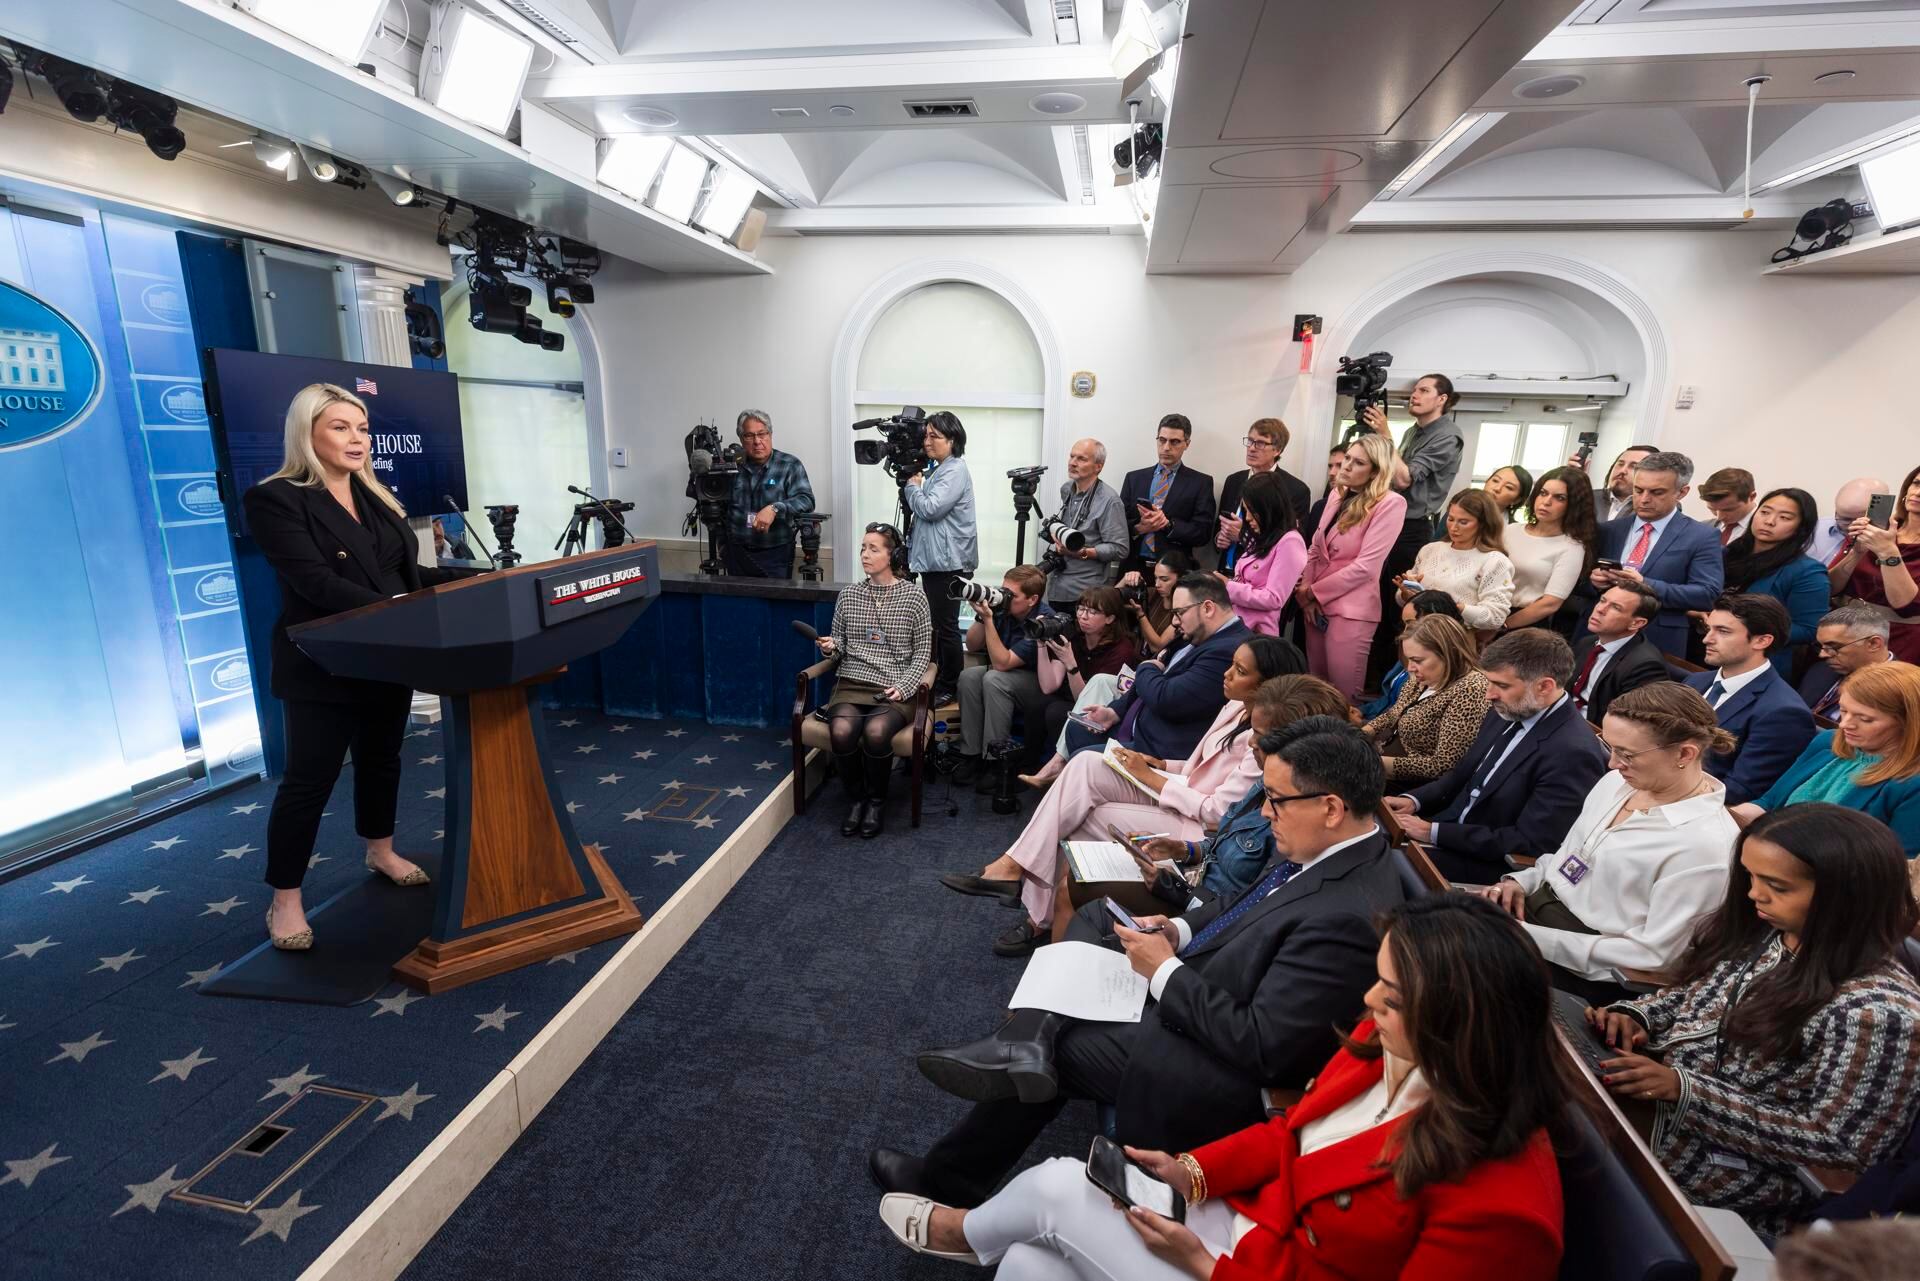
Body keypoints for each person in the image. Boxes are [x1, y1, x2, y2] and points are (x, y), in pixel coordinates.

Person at [880, 896, 1570, 1281]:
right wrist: (1192, 1171)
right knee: (1031, 1265)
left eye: (1389, 994)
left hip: (1247, 1267)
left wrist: (1208, 1266)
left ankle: (962, 1230)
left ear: (1457, 1022)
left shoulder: (1504, 1210)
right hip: (1253, 1228)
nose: (1368, 1000)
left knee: (1060, 1188)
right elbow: (1292, 1132)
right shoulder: (1387, 1044)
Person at [870, 717, 1410, 1208]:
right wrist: (1175, 929)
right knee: (1099, 923)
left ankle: (951, 1172)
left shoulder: (1348, 916)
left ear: (1331, 808)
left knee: (1061, 1050)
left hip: (1215, 1064)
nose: (1266, 812)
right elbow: (1240, 904)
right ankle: (1026, 1038)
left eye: (1275, 800)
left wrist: (1165, 972)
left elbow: (1263, 1048)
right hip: (1204, 987)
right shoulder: (1326, 848)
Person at [1589, 804, 1920, 1239]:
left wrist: (1685, 1092)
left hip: (1734, 1171)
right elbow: (1693, 996)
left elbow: (1839, 1146)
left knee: (1562, 1134)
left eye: (1776, 886)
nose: (1754, 895)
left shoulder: (1881, 1013)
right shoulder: (1776, 934)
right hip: (1663, 1108)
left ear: (1848, 896)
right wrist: (1638, 1016)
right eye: (1751, 876)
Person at [243, 383, 475, 949]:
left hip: (385, 654)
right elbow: (316, 584)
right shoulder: (276, 499)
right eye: (341, 427)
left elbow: (402, 575)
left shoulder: (375, 496)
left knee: (381, 761)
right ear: (308, 433)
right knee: (309, 783)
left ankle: (381, 850)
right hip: (324, 663)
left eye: (363, 428)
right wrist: (400, 610)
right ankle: (285, 900)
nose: (357, 439)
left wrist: (472, 580)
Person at [943, 639, 1308, 955]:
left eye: (1240, 670)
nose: (1226, 674)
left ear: (1269, 685)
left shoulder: (1265, 741)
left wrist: (1150, 776)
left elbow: (1217, 814)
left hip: (1196, 824)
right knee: (1086, 763)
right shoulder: (1235, 707)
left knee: (1086, 818)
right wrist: (1160, 764)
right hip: (1182, 791)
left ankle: (1040, 913)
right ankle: (1017, 872)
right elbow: (1197, 767)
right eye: (1231, 664)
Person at [1480, 682, 1738, 1002]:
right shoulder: (1617, 783)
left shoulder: (1705, 846)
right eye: (1609, 746)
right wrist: (1522, 882)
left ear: (1685, 753)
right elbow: (1568, 858)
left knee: (1448, 962)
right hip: (1536, 920)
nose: (1613, 763)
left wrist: (1527, 937)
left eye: (1627, 754)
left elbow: (1653, 956)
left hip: (1585, 969)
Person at [1388, 629, 1611, 884]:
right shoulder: (1510, 707)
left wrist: (1434, 832)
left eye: (1502, 685)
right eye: (1490, 682)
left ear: (1544, 686)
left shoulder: (1572, 753)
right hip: (1449, 829)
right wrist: (1414, 800)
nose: (1489, 694)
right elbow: (1463, 773)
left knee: (1381, 863)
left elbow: (1532, 842)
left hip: (1489, 863)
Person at [1131, 675, 1355, 905]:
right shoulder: (1264, 783)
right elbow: (1223, 843)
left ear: (1296, 745)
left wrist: (1177, 892)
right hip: (1188, 887)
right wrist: (1182, 849)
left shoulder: (1299, 820)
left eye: (1259, 734)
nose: (1251, 742)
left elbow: (1247, 911)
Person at [812, 524, 933, 838]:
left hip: (894, 686)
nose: (865, 554)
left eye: (873, 549)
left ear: (893, 556)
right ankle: (856, 799)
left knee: (876, 732)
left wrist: (905, 686)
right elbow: (840, 643)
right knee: (841, 731)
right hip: (852, 683)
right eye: (863, 548)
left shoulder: (914, 596)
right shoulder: (849, 595)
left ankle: (876, 802)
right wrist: (831, 646)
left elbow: (923, 652)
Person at [1734, 661, 1920, 859]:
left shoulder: (1913, 785)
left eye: (1865, 719)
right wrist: (1722, 815)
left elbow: (1895, 864)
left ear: (1908, 722)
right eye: (1843, 711)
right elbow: (1767, 804)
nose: (1845, 724)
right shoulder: (1827, 741)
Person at [1063, 574, 1253, 765]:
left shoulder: (1229, 650)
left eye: (1179, 612)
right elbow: (1149, 679)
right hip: (1136, 728)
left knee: (1083, 761)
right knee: (1076, 729)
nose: (1175, 622)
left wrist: (1145, 667)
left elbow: (1167, 698)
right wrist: (1114, 712)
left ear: (1208, 608)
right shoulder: (1200, 633)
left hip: (1158, 751)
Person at [1366, 374, 1466, 683]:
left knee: (1395, 608)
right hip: (1391, 519)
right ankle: (1374, 677)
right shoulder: (1413, 431)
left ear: (1442, 399)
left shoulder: (1448, 436)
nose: (1414, 395)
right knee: (1376, 599)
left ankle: (1391, 680)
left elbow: (1404, 478)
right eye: (1413, 390)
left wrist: (1385, 435)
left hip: (1412, 528)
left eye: (1423, 390)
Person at [1295, 433, 1406, 700]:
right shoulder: (1337, 494)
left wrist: (1313, 592)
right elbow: (1315, 547)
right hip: (1314, 605)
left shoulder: (1391, 503)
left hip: (1351, 609)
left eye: (1358, 463)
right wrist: (1304, 593)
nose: (1346, 466)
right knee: (1316, 689)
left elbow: (1366, 567)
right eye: (1347, 458)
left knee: (1343, 696)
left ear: (1375, 471)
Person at [1586, 450, 1725, 657]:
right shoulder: (1609, 530)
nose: (1644, 499)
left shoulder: (1701, 536)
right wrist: (1593, 581)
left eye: (1657, 492)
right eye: (1638, 490)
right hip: (1595, 636)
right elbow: (1578, 583)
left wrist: (1646, 584)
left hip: (1657, 641)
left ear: (1682, 492)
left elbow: (1707, 594)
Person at [1684, 594, 1815, 805]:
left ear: (1762, 641)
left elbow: (1739, 790)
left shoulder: (1784, 711)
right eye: (1709, 629)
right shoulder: (1696, 681)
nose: (1707, 639)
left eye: (1723, 631)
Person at [952, 566, 1054, 790]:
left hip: (1040, 683)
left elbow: (1002, 663)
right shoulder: (1005, 610)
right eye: (1003, 590)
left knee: (994, 679)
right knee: (969, 677)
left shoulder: (1042, 620)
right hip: (1008, 674)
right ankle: (971, 755)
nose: (1005, 598)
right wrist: (982, 616)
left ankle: (996, 761)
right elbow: (972, 645)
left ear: (1032, 599)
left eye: (1012, 595)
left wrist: (990, 620)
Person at [902, 411, 977, 704]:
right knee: (938, 627)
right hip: (937, 561)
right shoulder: (939, 469)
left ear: (952, 440)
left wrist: (912, 486)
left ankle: (949, 686)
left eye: (935, 436)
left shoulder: (955, 470)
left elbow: (931, 508)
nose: (927, 441)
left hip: (949, 564)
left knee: (946, 628)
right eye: (926, 435)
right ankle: (940, 680)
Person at [1362, 615, 1490, 787]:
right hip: (1387, 756)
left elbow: (1444, 765)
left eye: (1417, 660)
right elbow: (1394, 713)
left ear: (1448, 653)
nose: (1410, 668)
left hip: (1416, 785)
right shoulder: (1423, 677)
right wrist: (1362, 733)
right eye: (1409, 659)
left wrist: (1371, 763)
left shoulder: (1470, 690)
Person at [1026, 586, 1139, 779]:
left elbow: (1088, 698)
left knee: (1056, 712)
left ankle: (1063, 768)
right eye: (1081, 609)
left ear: (1110, 618)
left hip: (1103, 708)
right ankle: (1030, 768)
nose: (1083, 616)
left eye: (1093, 612)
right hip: (1071, 697)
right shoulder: (1074, 637)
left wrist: (1071, 664)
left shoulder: (1121, 650)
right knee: (1036, 704)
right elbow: (1048, 685)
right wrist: (1041, 644)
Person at [1720, 487, 1827, 675]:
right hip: (1705, 647)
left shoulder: (1807, 571)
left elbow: (1809, 629)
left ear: (1801, 527)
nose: (1769, 521)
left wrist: (1746, 629)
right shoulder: (1729, 552)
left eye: (1784, 517)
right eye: (1764, 512)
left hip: (1757, 662)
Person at [1830, 462, 1920, 663]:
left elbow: (1906, 607)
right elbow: (1830, 588)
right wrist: (1857, 552)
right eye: (1916, 483)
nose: (1918, 492)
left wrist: (1888, 551)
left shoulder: (1883, 539)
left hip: (1896, 641)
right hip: (1843, 631)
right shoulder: (1877, 528)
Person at [1397, 488, 1516, 635]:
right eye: (1451, 519)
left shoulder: (1495, 561)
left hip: (1456, 637)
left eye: (1463, 522)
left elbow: (1496, 617)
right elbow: (1402, 599)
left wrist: (1451, 606)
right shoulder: (1430, 549)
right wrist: (1407, 594)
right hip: (1416, 633)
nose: (1454, 527)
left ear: (1483, 524)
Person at [716, 408, 815, 578]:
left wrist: (775, 508)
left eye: (762, 434)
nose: (757, 441)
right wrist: (723, 546)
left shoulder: (789, 465)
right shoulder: (731, 467)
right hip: (736, 554)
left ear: (770, 434)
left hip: (776, 554)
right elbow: (718, 507)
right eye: (749, 436)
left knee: (774, 596)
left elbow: (807, 500)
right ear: (741, 439)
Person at [1501, 466, 1598, 634]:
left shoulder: (1571, 547)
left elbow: (1550, 604)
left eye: (1559, 498)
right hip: (1489, 610)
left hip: (1524, 625)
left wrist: (1503, 626)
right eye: (1543, 493)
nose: (1546, 502)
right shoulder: (1511, 530)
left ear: (1574, 505)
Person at [1118, 414, 1217, 572]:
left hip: (1175, 572)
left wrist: (1168, 525)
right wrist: (1139, 528)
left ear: (1187, 444)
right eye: (1162, 440)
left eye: (1174, 442)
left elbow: (1202, 534)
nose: (1166, 447)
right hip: (1133, 568)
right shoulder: (1134, 478)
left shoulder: (1200, 483)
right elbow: (1118, 525)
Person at [1216, 471, 1307, 636]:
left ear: (1268, 507)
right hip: (1236, 623)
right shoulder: (1263, 536)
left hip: (1257, 632)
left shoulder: (1290, 541)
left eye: (1252, 511)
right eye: (1245, 510)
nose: (1247, 518)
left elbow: (1274, 599)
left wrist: (1227, 585)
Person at [1569, 580, 1671, 724]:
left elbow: (1629, 722)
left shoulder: (1645, 666)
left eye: (1615, 607)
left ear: (1636, 623)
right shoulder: (1586, 643)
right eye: (1602, 600)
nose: (1600, 609)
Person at [1044, 438, 1129, 605]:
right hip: (1057, 587)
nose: (1072, 463)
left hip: (1085, 595)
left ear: (1098, 466)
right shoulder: (1067, 489)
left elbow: (1120, 549)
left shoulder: (1109, 501)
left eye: (1081, 459)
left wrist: (1081, 552)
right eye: (1072, 456)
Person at [1361, 589, 1464, 719]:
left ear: (1436, 622)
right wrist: (1361, 711)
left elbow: (1406, 720)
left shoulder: (1456, 683)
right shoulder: (1410, 654)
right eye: (1404, 624)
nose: (1405, 631)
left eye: (1411, 623)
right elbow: (1389, 701)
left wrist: (1363, 724)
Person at [1216, 417, 1312, 552]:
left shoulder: (1296, 490)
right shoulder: (1234, 480)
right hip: (1226, 562)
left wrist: (1244, 536)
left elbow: (1292, 543)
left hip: (1264, 563)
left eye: (1260, 443)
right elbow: (1220, 525)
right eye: (1250, 441)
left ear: (1277, 450)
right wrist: (1219, 538)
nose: (1251, 448)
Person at [1800, 604, 1894, 718]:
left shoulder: (1900, 690)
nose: (1822, 654)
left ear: (1873, 644)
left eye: (1833, 647)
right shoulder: (1820, 670)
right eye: (1820, 646)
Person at [1121, 549, 1191, 658]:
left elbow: (1158, 647)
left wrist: (1141, 615)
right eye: (1155, 578)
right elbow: (1109, 601)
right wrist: (1125, 579)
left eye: (1164, 579)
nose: (1157, 584)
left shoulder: (1185, 608)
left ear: (1181, 578)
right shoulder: (1152, 593)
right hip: (1135, 657)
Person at [1806, 476, 1890, 566]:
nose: (1851, 527)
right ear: (1836, 512)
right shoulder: (1812, 529)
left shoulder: (1891, 542)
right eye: (1845, 519)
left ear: (1881, 513)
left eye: (1860, 521)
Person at [1571, 443, 1658, 523]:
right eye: (1620, 464)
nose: (1622, 470)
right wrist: (1568, 480)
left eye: (1633, 466)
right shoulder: (1588, 497)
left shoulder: (1652, 509)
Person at [1300, 442, 1348, 540]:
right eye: (1330, 466)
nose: (1332, 473)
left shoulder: (1368, 510)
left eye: (1340, 465)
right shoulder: (1319, 507)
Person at [1698, 466, 1758, 546]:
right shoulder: (1701, 528)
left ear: (1752, 497)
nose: (1719, 517)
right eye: (1712, 509)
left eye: (1728, 510)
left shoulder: (1768, 533)